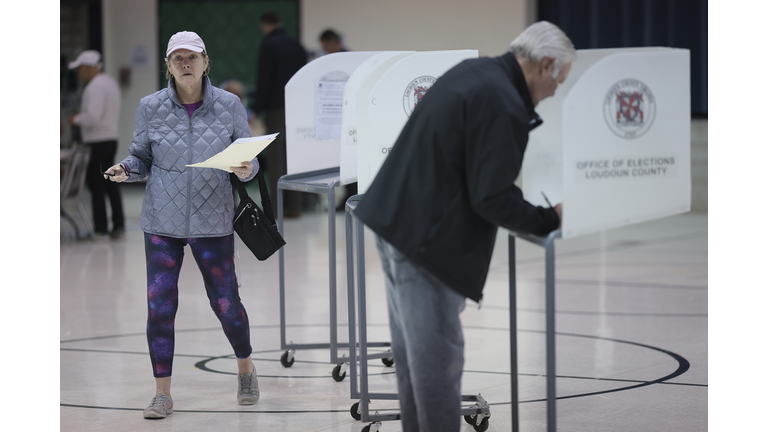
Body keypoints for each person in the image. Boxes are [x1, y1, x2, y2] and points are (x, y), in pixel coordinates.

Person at [354, 21, 574, 432]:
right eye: (559, 79)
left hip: (396, 223)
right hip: (426, 243)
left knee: (414, 361)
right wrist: (549, 219)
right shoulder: (504, 100)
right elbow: (491, 196)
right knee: (436, 364)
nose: (556, 89)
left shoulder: (478, 74)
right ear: (545, 65)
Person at [103, 31, 261, 419]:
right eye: (178, 59)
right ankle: (162, 393)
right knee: (160, 307)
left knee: (226, 303)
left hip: (213, 219)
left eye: (192, 57)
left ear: (206, 62)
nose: (186, 64)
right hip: (162, 221)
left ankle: (245, 368)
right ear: (169, 67)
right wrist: (126, 168)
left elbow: (250, 156)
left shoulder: (229, 105)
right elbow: (140, 155)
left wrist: (247, 168)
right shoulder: (150, 106)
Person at [251, 11, 308, 217]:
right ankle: (296, 206)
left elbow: (265, 79)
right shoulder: (297, 45)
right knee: (294, 158)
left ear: (265, 25)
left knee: (276, 160)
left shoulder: (269, 45)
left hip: (276, 109)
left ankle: (277, 207)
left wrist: (257, 109)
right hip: (297, 109)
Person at [67, 50, 125, 239]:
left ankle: (100, 229)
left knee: (97, 186)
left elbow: (92, 116)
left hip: (97, 142)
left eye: (81, 69)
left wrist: (75, 119)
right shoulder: (109, 83)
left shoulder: (94, 87)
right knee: (111, 185)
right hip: (110, 139)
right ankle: (118, 225)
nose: (79, 74)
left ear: (90, 68)